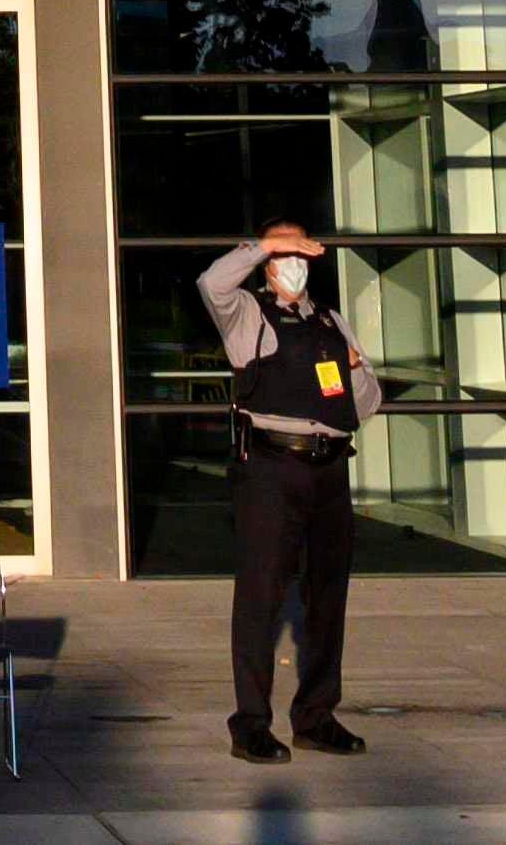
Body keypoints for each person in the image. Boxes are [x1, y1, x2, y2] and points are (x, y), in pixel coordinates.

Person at [194, 219, 367, 764]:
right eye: (284, 253)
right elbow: (211, 283)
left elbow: (364, 403)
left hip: (329, 468)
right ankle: (250, 724)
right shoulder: (248, 313)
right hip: (271, 468)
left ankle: (316, 716)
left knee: (327, 596)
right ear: (267, 263)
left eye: (300, 251)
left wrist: (357, 371)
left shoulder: (329, 320)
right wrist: (265, 245)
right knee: (261, 597)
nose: (295, 262)